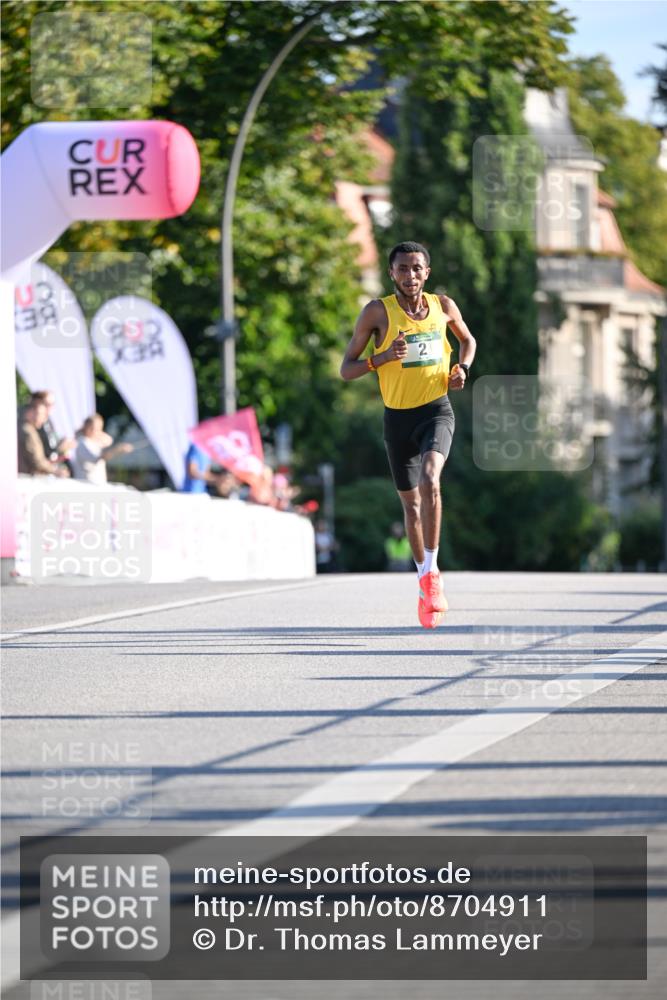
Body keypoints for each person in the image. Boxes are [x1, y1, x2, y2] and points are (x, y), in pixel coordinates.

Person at [340, 240, 476, 628]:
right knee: (411, 505)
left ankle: (433, 573)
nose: (410, 275)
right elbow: (346, 369)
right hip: (396, 419)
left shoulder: (443, 306)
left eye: (417, 268)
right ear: (391, 273)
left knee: (431, 479)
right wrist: (382, 357)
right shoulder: (376, 312)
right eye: (402, 268)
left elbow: (468, 341)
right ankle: (422, 580)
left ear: (427, 272)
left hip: (436, 410)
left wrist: (462, 369)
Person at [71, 414, 133, 485]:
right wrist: (118, 449)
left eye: (99, 428)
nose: (97, 431)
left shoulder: (93, 442)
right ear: (86, 427)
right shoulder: (83, 442)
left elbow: (109, 440)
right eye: (94, 428)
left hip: (95, 484)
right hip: (87, 485)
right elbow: (101, 457)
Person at [18, 400, 70, 477]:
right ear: (30, 413)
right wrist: (56, 471)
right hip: (25, 478)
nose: (44, 419)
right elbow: (37, 462)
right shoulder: (27, 432)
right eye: (41, 414)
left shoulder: (25, 429)